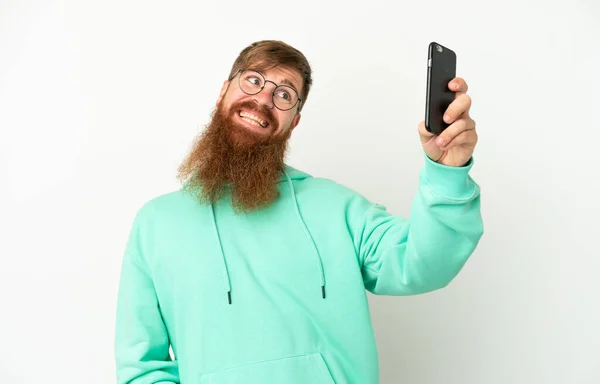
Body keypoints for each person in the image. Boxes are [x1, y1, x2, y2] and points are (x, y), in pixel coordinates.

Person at [114, 40, 483, 384]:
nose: (262, 100)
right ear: (222, 92)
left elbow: (423, 263)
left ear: (295, 122)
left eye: (284, 94)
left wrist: (447, 172)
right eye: (253, 80)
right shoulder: (156, 224)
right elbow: (142, 369)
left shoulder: (337, 207)